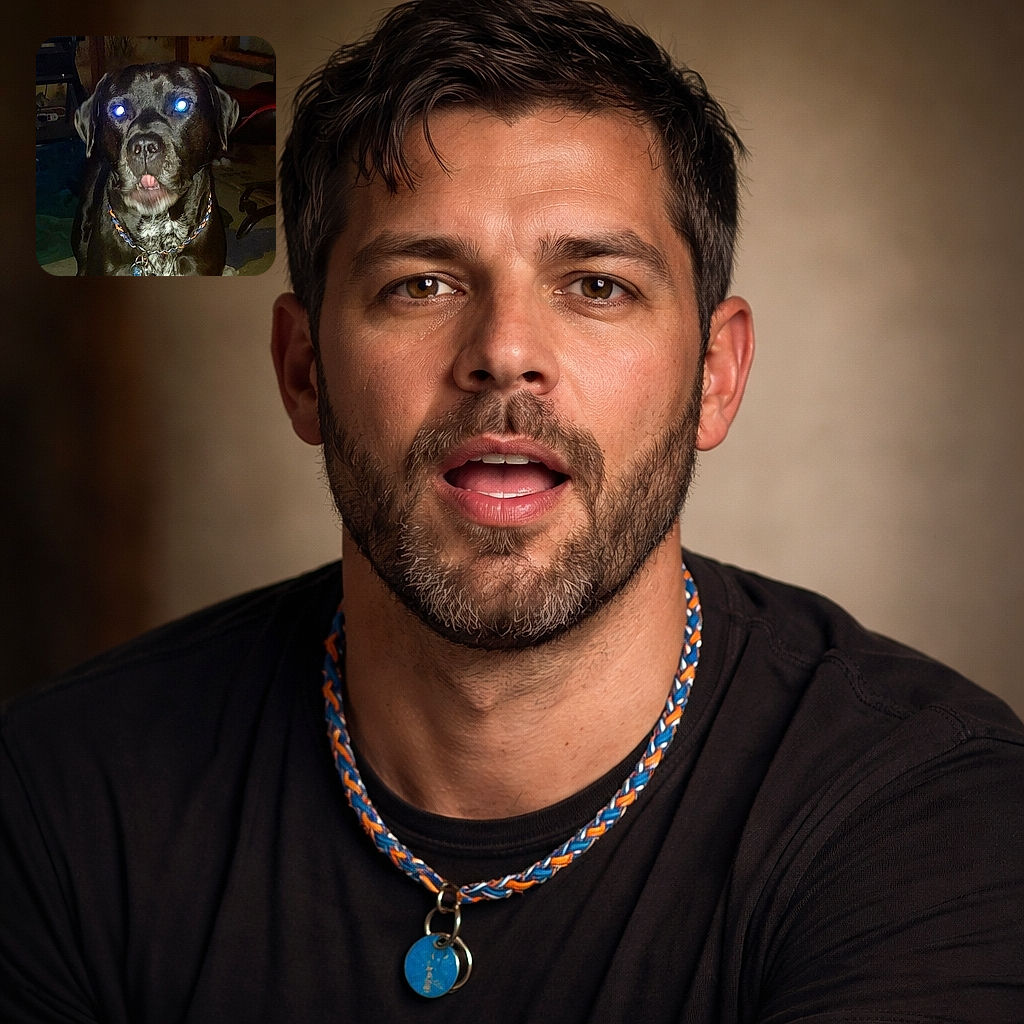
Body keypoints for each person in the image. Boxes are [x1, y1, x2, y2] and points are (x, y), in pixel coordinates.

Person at [3, 0, 1022, 1019]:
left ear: (713, 374)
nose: (503, 349)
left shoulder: (925, 811)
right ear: (303, 369)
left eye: (594, 284)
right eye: (423, 283)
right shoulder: (57, 800)